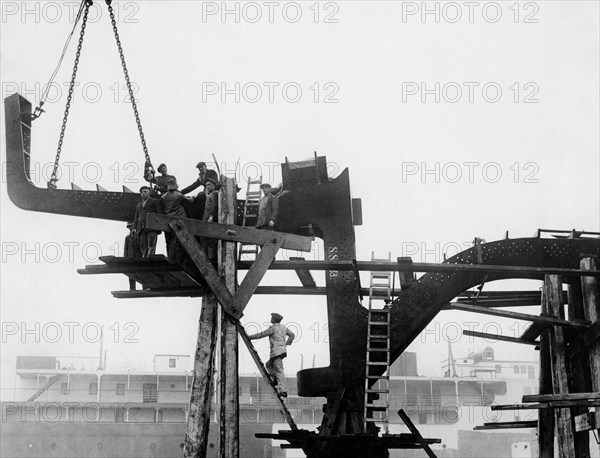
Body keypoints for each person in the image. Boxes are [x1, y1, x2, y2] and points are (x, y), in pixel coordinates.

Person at [248, 313, 295, 398]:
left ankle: (283, 391)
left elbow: (262, 334)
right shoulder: (284, 328)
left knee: (279, 370)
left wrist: (250, 337)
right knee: (268, 365)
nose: (271, 318)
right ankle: (275, 380)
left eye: (272, 317)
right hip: (280, 352)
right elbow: (292, 335)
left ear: (274, 319)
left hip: (276, 352)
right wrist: (286, 344)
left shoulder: (273, 328)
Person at [161, 178, 190, 261]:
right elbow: (188, 201)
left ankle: (169, 258)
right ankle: (176, 259)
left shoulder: (163, 197)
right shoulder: (178, 195)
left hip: (167, 221)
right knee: (176, 241)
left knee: (168, 241)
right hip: (177, 220)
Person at [133, 186, 163, 257]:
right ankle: (144, 259)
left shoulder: (154, 201)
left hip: (152, 227)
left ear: (149, 193)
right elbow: (136, 218)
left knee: (151, 245)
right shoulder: (139, 205)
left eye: (145, 191)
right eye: (142, 192)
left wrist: (158, 226)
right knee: (143, 246)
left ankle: (150, 259)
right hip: (142, 228)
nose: (143, 193)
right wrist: (134, 228)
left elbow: (160, 214)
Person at [201, 178, 219, 265]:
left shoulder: (215, 194)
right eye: (206, 185)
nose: (207, 186)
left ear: (213, 186)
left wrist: (211, 216)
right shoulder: (210, 194)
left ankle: (211, 258)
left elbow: (214, 206)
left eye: (209, 185)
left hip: (209, 219)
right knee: (205, 239)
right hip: (205, 219)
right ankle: (208, 257)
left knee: (210, 240)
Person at [124, 222, 140, 290]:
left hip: (138, 257)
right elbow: (125, 248)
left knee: (140, 273)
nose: (130, 228)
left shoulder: (138, 236)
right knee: (131, 273)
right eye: (129, 226)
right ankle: (132, 288)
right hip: (130, 257)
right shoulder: (127, 237)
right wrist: (125, 257)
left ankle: (145, 287)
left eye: (131, 226)